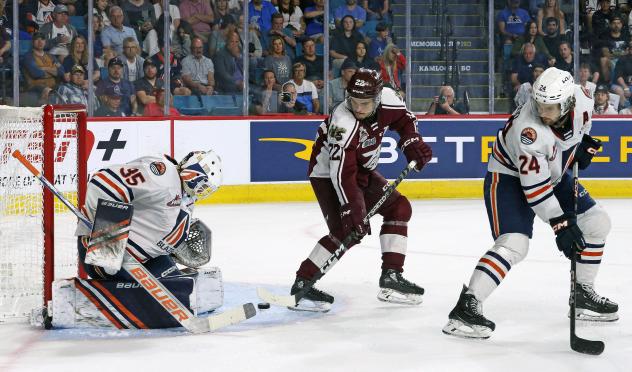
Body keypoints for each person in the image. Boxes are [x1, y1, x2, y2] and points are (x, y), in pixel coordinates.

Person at [442, 67, 619, 340]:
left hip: (554, 171)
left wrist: (583, 144)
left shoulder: (583, 98)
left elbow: (583, 126)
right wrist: (562, 226)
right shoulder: (530, 132)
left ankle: (582, 293)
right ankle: (466, 307)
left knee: (597, 223)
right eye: (539, 105)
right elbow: (535, 190)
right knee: (515, 243)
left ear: (568, 101)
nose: (543, 112)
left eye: (550, 107)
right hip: (509, 178)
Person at [288, 68, 432, 312]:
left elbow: (406, 120)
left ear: (377, 98)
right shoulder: (342, 121)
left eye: (365, 103)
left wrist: (412, 142)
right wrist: (351, 210)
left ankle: (392, 277)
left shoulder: (388, 99)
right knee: (346, 232)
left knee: (399, 207)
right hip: (328, 175)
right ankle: (303, 281)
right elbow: (341, 173)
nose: (359, 108)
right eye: (354, 101)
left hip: (362, 170)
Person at [73, 150, 221, 326]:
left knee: (180, 293)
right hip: (101, 256)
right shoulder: (163, 175)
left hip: (143, 261)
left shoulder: (186, 198)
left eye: (206, 189)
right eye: (203, 185)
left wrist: (175, 246)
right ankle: (93, 302)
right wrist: (107, 246)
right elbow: (103, 183)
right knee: (162, 306)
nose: (202, 191)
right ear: (194, 172)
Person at [22, 32, 64, 105]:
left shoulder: (51, 56)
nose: (40, 42)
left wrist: (44, 68)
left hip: (53, 85)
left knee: (65, 89)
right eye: (37, 40)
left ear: (45, 42)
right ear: (33, 42)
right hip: (35, 86)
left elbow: (61, 71)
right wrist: (53, 70)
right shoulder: (28, 56)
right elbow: (36, 74)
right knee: (48, 92)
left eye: (42, 39)